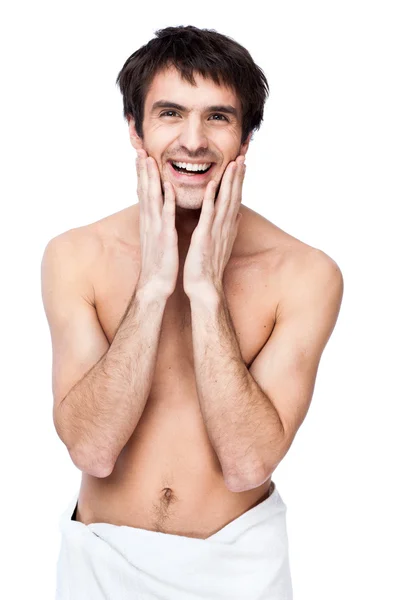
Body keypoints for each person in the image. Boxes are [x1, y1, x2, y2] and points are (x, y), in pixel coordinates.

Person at [41, 24, 344, 600]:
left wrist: (204, 288)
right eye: (171, 114)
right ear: (136, 129)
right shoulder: (76, 256)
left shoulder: (305, 273)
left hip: (241, 570)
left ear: (245, 139)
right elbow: (91, 449)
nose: (194, 141)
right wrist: (154, 285)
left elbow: (247, 463)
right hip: (100, 567)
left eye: (218, 117)